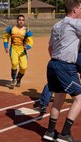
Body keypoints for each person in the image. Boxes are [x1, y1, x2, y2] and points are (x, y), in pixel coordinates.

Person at [43, 0, 81, 141]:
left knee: (59, 98)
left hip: (52, 64)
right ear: (75, 10)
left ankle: (50, 132)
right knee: (79, 99)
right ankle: (65, 134)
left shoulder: (56, 25)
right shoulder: (76, 23)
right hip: (65, 66)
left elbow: (50, 48)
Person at [3, 15, 33, 89]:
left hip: (22, 50)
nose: (21, 21)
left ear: (24, 21)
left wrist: (28, 46)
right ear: (17, 20)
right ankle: (14, 80)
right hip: (14, 48)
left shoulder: (27, 30)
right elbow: (6, 37)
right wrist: (6, 46)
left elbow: (30, 41)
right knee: (14, 63)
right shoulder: (11, 28)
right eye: (19, 19)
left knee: (24, 67)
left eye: (22, 20)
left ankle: (18, 79)